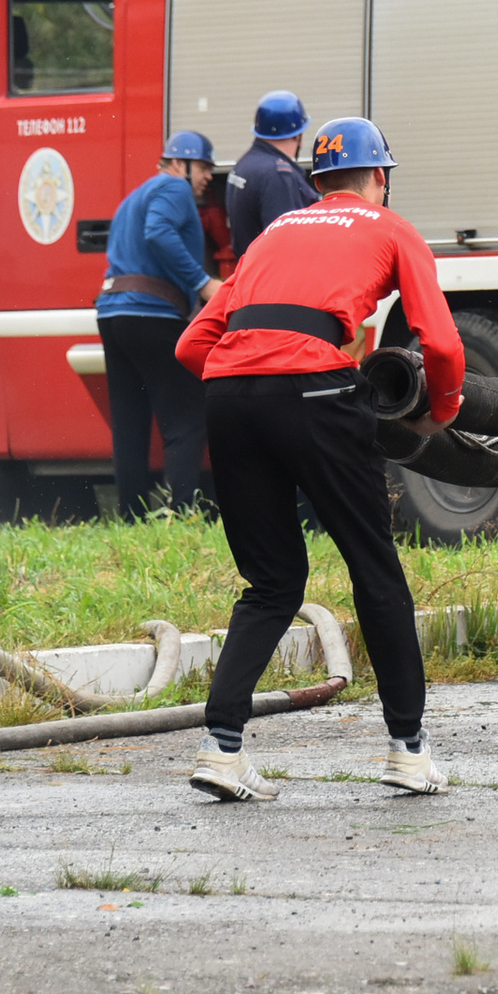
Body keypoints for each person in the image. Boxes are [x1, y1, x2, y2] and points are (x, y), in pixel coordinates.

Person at [176, 117, 466, 800]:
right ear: (381, 179)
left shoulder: (276, 232)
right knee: (374, 567)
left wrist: (250, 386)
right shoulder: (389, 228)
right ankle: (408, 750)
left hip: (228, 392)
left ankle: (221, 749)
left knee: (273, 582)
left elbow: (192, 346)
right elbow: (444, 347)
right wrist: (438, 415)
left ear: (316, 182)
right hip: (313, 389)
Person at [96, 131, 220, 514]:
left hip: (113, 314)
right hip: (151, 315)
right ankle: (182, 509)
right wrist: (202, 283)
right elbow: (159, 232)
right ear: (180, 165)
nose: (207, 177)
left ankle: (130, 514)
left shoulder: (135, 195)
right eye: (202, 167)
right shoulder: (174, 189)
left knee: (130, 420)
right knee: (186, 415)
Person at [226, 88, 319, 254]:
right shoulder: (278, 175)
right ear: (298, 135)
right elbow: (287, 245)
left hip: (250, 271)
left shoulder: (244, 164)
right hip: (272, 277)